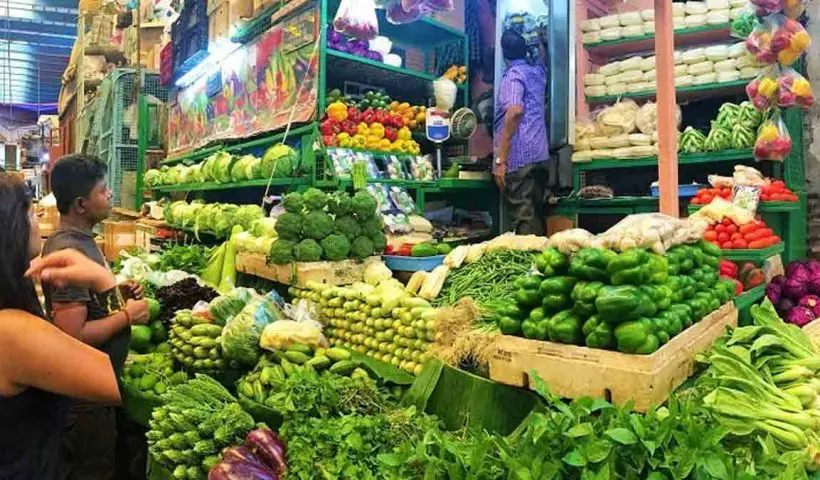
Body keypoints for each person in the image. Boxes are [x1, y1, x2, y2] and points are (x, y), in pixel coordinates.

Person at [0, 174, 121, 479]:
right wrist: (104, 283)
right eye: (30, 211)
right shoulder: (13, 332)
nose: (38, 219)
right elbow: (115, 383)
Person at [43, 154, 150, 480]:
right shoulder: (70, 252)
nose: (111, 196)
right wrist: (127, 317)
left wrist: (116, 293)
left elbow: (85, 304)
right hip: (84, 402)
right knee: (92, 469)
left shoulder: (82, 242)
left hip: (94, 392)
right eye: (104, 191)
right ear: (81, 204)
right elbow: (71, 336)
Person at [494, 29, 549, 235]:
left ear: (504, 54)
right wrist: (543, 42)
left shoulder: (513, 76)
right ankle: (540, 263)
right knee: (536, 214)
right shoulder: (536, 72)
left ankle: (528, 265)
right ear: (526, 51)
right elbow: (543, 62)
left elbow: (515, 111)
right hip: (540, 155)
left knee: (523, 220)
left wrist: (501, 160)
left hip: (519, 158)